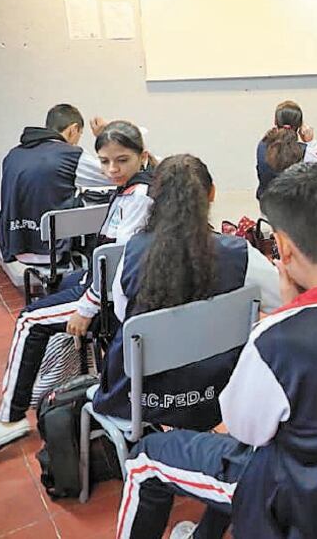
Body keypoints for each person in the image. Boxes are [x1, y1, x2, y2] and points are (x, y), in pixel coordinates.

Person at [116, 163, 317, 539]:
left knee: (145, 458)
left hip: (293, 491)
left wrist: (289, 312)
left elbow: (242, 431)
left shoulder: (276, 340)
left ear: (282, 248)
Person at [0, 121, 155, 452]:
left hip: (112, 294)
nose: (112, 169)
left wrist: (85, 308)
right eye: (105, 161)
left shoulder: (139, 196)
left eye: (122, 160)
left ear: (143, 157)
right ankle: (63, 375)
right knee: (56, 293)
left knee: (29, 320)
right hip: (100, 279)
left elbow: (117, 263)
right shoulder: (132, 189)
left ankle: (11, 417)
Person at [90, 155, 281, 429]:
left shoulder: (132, 252)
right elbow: (284, 303)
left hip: (139, 400)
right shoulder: (241, 255)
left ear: (154, 197)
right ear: (212, 193)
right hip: (217, 395)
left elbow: (124, 315)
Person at [0, 104, 112, 265]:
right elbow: (115, 174)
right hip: (52, 249)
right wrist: (105, 139)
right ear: (73, 129)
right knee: (108, 206)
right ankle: (94, 279)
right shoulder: (70, 155)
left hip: (16, 245)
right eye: (79, 134)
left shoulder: (13, 154)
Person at [256, 100, 317, 200]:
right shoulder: (305, 151)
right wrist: (311, 142)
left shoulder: (262, 145)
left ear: (275, 121)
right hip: (295, 210)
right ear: (300, 125)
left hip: (267, 206)